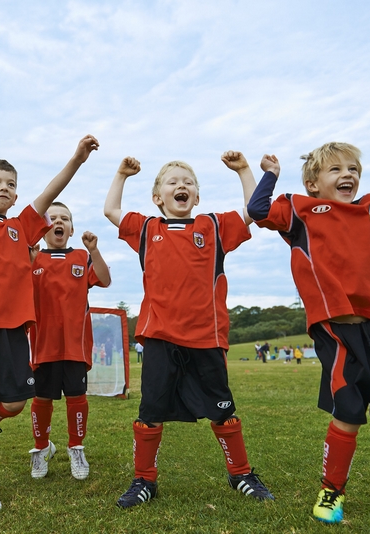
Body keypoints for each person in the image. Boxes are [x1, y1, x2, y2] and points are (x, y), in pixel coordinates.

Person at [247, 141, 370, 528]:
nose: (347, 175)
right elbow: (258, 210)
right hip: (337, 330)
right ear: (313, 184)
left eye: (353, 169)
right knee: (348, 414)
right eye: (336, 170)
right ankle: (332, 490)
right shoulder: (302, 210)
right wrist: (270, 174)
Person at [0, 98, 98, 512]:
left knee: (12, 404)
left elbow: (50, 193)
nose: (4, 188)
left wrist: (77, 159)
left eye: (11, 183)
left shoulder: (22, 229)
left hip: (13, 330)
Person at [104, 152, 274, 509]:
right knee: (149, 412)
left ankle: (240, 473)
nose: (181, 185)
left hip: (205, 338)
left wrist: (244, 171)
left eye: (188, 183)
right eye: (172, 182)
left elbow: (254, 211)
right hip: (160, 337)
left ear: (196, 196)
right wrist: (121, 174)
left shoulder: (213, 227)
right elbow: (111, 210)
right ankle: (144, 480)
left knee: (223, 409)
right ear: (158, 197)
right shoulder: (148, 229)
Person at [28, 202, 111, 481]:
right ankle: (41, 448)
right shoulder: (34, 259)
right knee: (41, 398)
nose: (58, 222)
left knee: (77, 397)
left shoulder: (81, 257)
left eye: (64, 218)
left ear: (72, 229)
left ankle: (76, 447)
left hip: (75, 345)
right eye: (52, 218)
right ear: (43, 229)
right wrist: (25, 260)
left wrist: (94, 251)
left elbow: (105, 279)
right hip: (43, 346)